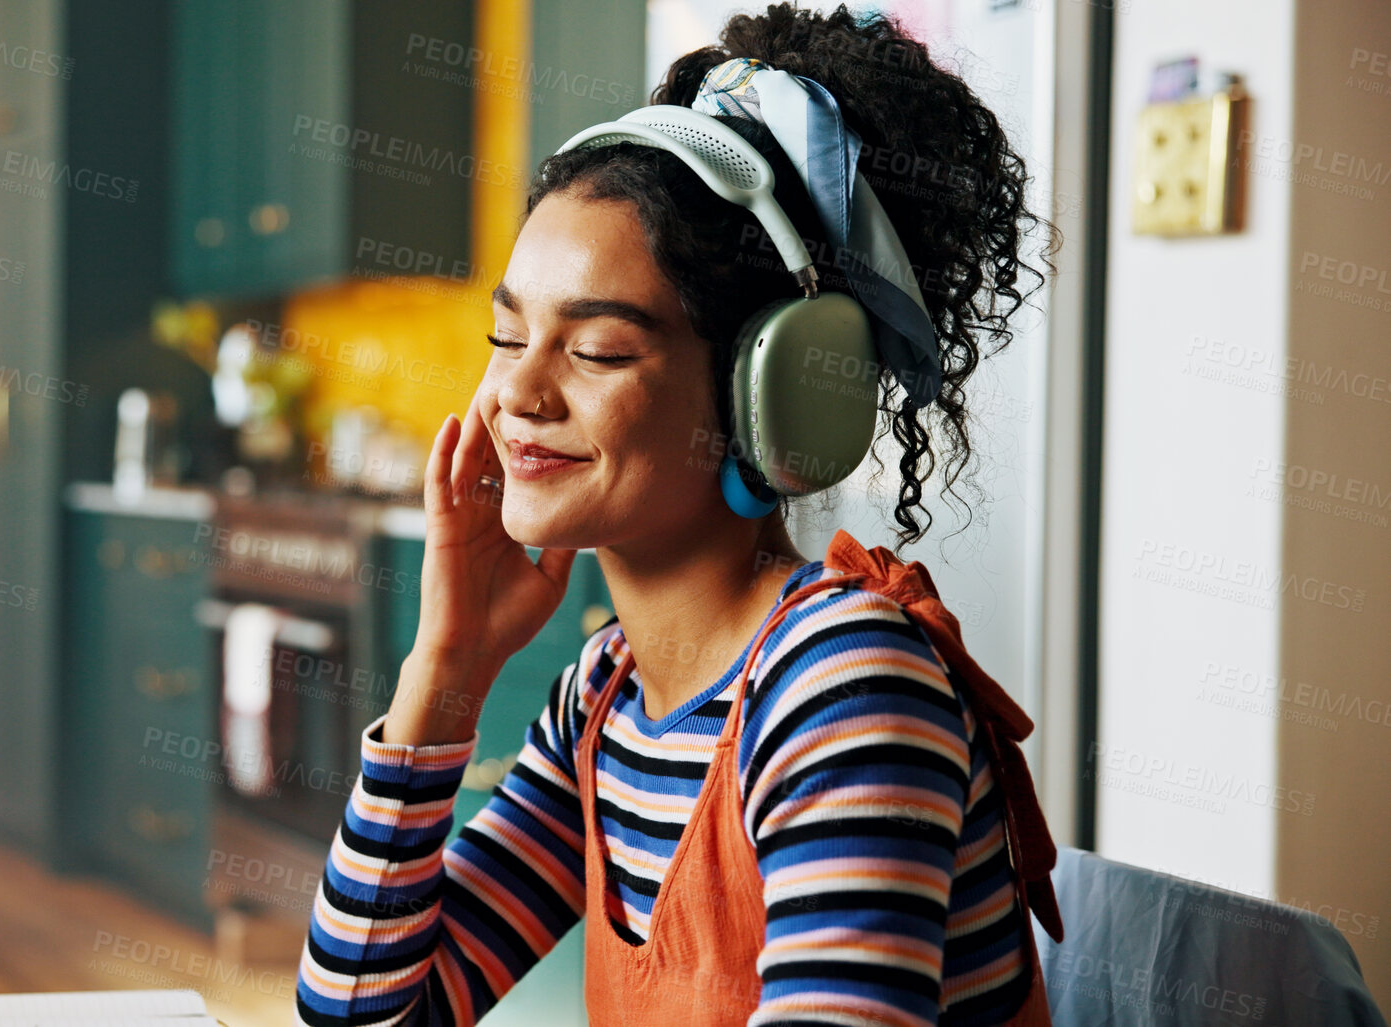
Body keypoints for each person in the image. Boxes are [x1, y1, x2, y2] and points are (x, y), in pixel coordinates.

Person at [294, 4, 1058, 1024]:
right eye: (506, 338)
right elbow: (362, 1015)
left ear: (770, 392)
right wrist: (448, 665)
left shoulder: (845, 687)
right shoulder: (603, 700)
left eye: (597, 350)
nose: (517, 394)